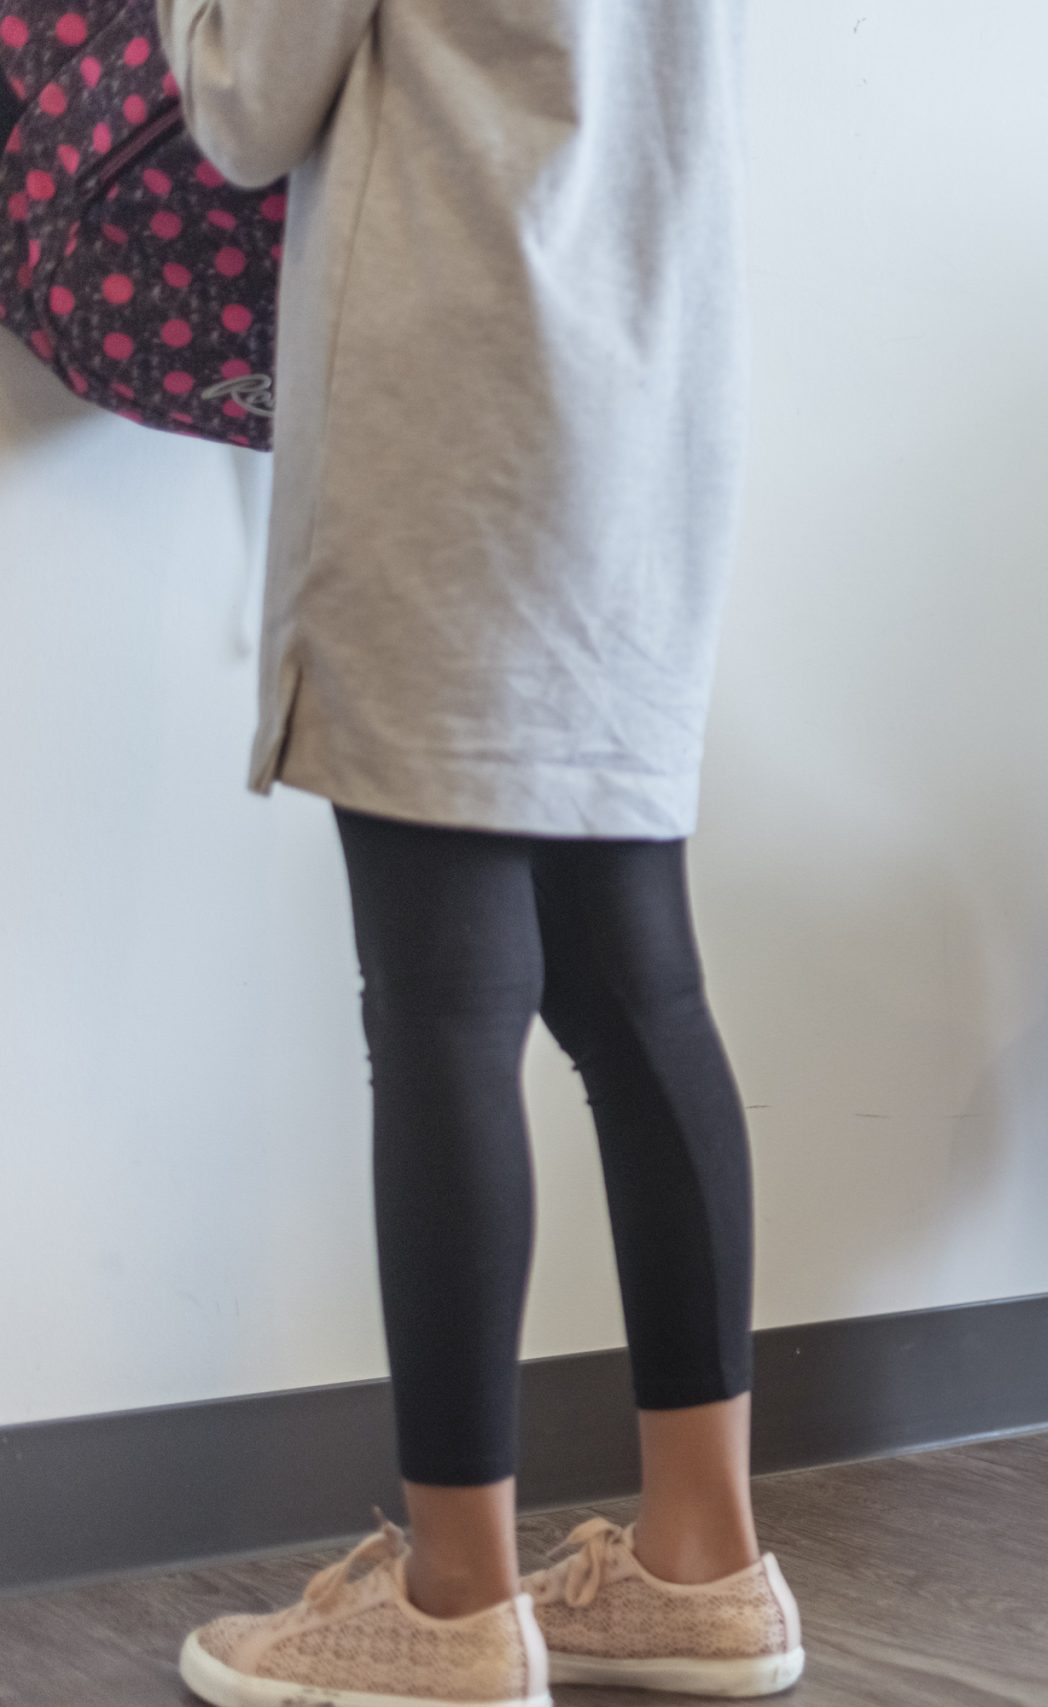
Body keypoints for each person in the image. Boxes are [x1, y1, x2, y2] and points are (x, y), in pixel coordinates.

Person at [158, 3, 800, 1702]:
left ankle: (450, 1603)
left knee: (444, 1010)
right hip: (653, 402)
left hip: (458, 398)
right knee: (632, 986)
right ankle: (703, 1559)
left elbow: (240, 97)